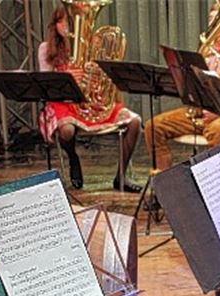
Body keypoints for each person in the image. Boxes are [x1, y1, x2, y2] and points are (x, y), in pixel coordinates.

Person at [143, 3, 220, 173]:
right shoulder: (207, 49)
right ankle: (165, 180)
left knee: (218, 131)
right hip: (201, 112)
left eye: (219, 13)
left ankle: (219, 182)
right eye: (213, 11)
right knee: (153, 127)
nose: (213, 16)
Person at [37, 6, 143, 192]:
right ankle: (72, 157)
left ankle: (121, 176)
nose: (67, 26)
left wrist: (94, 77)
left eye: (69, 22)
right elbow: (47, 83)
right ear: (55, 25)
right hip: (64, 103)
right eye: (62, 22)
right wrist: (68, 77)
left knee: (135, 122)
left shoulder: (94, 43)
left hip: (92, 103)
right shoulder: (47, 49)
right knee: (67, 131)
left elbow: (104, 77)